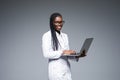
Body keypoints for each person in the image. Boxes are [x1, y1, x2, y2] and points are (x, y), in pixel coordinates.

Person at [42, 12, 86, 80]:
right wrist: (63, 52)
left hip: (66, 70)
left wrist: (78, 55)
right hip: (55, 72)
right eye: (57, 22)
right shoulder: (47, 36)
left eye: (61, 22)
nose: (59, 24)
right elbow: (46, 54)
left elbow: (67, 55)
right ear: (52, 23)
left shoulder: (65, 36)